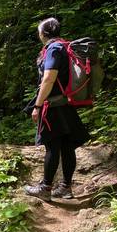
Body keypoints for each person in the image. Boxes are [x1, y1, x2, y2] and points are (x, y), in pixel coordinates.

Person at [23, 18, 90, 201]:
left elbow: (49, 78)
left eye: (39, 31)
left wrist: (37, 105)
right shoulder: (65, 46)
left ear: (43, 33)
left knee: (52, 146)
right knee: (68, 145)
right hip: (66, 102)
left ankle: (45, 188)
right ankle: (66, 188)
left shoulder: (53, 49)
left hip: (53, 104)